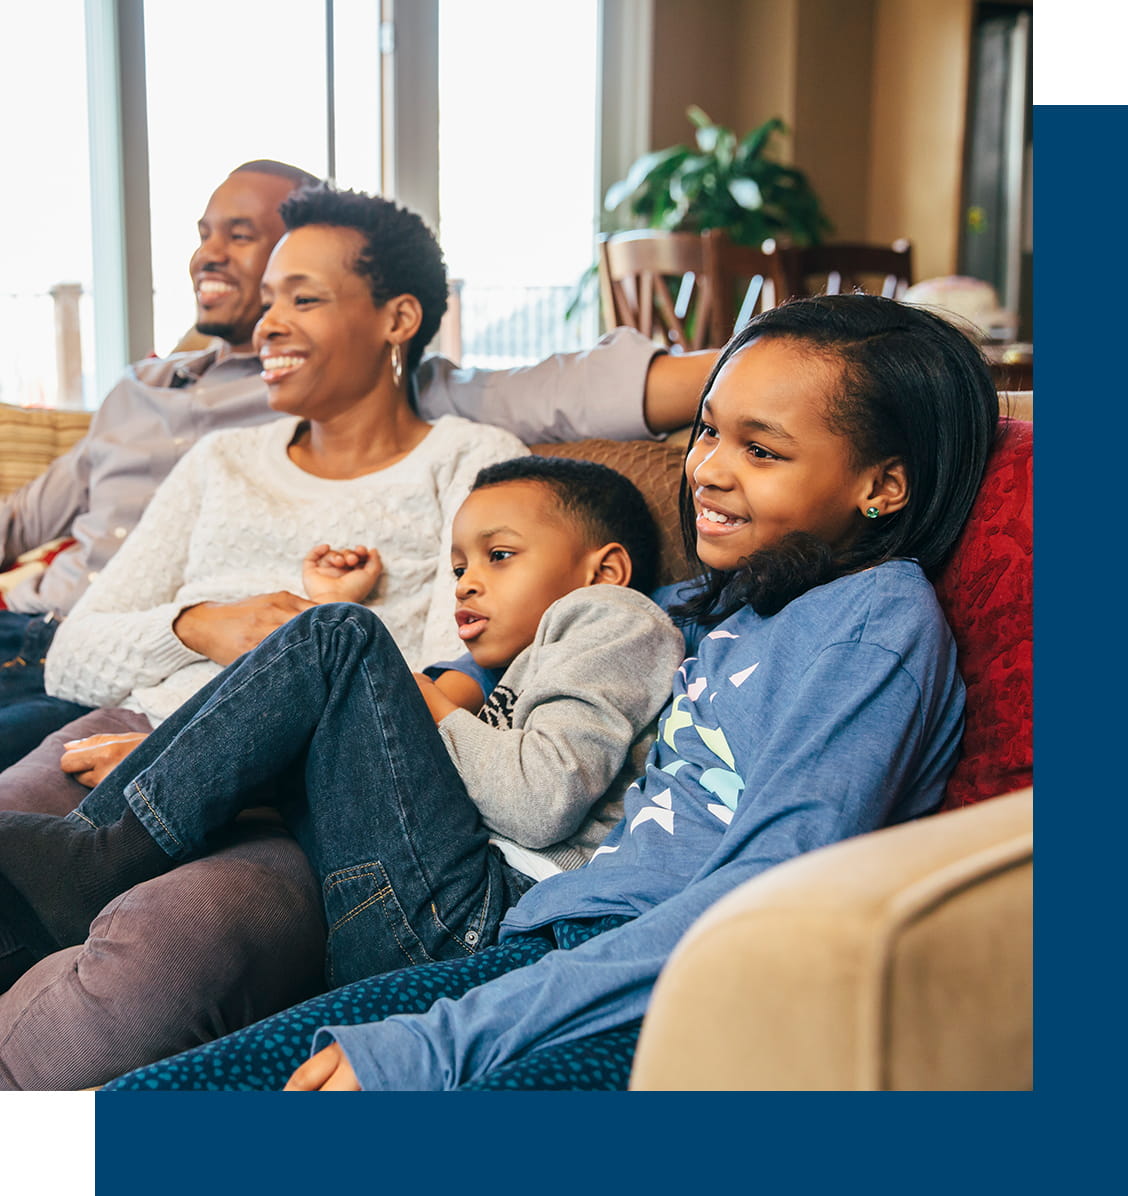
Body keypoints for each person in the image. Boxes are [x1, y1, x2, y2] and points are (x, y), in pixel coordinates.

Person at [92, 292, 999, 1092]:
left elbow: (767, 896)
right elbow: (511, 677)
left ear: (883, 486)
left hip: (646, 985)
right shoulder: (732, 602)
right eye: (709, 432)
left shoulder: (874, 626)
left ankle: (83, 860)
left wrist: (449, 1039)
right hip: (544, 940)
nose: (708, 469)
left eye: (760, 450)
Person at [0, 162, 717, 772]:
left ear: (396, 320)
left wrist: (759, 363)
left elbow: (445, 686)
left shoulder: (470, 457)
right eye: (271, 300)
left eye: (302, 297)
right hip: (122, 708)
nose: (267, 324)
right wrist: (197, 625)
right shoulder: (209, 446)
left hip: (266, 766)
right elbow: (73, 652)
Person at [0, 456, 685, 993]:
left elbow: (538, 802)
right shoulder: (509, 670)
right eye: (457, 567)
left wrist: (423, 699)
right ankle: (75, 870)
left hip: (489, 923)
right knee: (334, 646)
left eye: (498, 556)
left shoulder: (615, 618)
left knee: (338, 635)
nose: (466, 583)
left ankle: (96, 856)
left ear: (606, 570)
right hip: (419, 918)